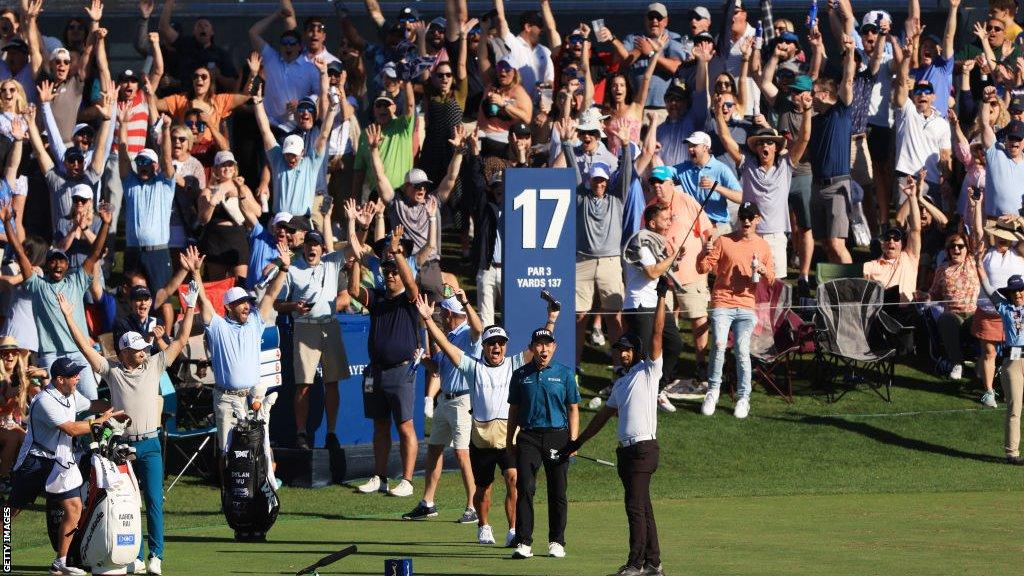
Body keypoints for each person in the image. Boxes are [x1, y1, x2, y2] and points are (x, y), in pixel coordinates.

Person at [56, 278, 197, 576]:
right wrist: (69, 315)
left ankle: (155, 555)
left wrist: (191, 305)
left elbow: (182, 340)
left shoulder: (155, 365)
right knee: (128, 502)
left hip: (150, 444)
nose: (144, 351)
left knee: (154, 500)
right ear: (123, 353)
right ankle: (132, 555)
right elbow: (84, 347)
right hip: (121, 448)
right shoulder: (112, 370)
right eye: (138, 349)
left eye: (145, 348)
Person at [561, 278, 670, 576]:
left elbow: (658, 335)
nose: (621, 353)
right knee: (642, 507)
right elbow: (601, 418)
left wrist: (662, 298)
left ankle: (635, 564)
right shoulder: (620, 384)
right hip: (626, 452)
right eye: (618, 349)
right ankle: (654, 563)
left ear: (636, 352)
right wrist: (576, 442)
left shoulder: (649, 371)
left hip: (644, 449)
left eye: (626, 350)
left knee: (635, 508)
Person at [5, 356, 124, 576]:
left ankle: (60, 562)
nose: (78, 377)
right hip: (35, 462)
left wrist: (118, 408)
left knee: (74, 507)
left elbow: (92, 405)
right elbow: (71, 429)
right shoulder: (44, 401)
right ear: (60, 379)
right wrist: (100, 422)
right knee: (11, 511)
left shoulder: (71, 395)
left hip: (61, 461)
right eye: (73, 375)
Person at [1, 199, 110, 401]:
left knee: (91, 401)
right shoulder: (38, 285)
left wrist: (105, 224)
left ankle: (90, 432)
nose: (57, 264)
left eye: (62, 260)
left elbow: (95, 254)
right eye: (53, 260)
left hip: (80, 352)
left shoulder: (76, 281)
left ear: (67, 265)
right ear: (47, 264)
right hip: (51, 356)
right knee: (58, 404)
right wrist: (8, 223)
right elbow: (19, 254)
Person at [184, 245, 287, 450]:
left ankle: (262, 482)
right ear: (229, 307)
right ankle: (227, 484)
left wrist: (284, 268)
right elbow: (203, 299)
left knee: (258, 449)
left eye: (247, 302)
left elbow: (271, 295)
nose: (246, 306)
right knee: (227, 451)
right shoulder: (217, 325)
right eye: (240, 303)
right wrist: (195, 271)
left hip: (253, 398)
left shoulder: (255, 322)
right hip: (226, 398)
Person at [350, 226, 421, 498]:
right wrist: (356, 261)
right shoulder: (378, 298)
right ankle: (380, 477)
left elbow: (412, 285)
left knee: (405, 426)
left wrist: (397, 253)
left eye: (394, 271)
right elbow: (355, 290)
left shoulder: (409, 300)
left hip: (401, 371)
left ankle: (407, 480)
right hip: (376, 372)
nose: (391, 275)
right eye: (387, 271)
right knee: (380, 425)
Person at [402, 289, 482, 523]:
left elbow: (479, 328)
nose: (443, 317)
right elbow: (437, 367)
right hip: (444, 401)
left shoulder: (468, 334)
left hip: (463, 401)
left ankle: (472, 506)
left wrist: (465, 302)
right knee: (434, 450)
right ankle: (428, 503)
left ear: (451, 314)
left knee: (461, 453)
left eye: (445, 314)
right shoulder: (449, 337)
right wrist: (422, 360)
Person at [505, 326, 579, 559]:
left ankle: (557, 541)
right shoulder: (520, 375)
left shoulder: (565, 373)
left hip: (558, 436)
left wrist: (574, 441)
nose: (543, 348)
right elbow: (514, 410)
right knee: (525, 487)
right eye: (539, 344)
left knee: (557, 490)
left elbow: (573, 409)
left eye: (548, 344)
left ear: (554, 347)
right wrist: (509, 440)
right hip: (528, 437)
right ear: (531, 348)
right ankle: (524, 542)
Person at [696, 201, 775, 419]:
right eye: (743, 217)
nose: (746, 221)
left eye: (750, 217)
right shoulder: (724, 240)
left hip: (747, 304)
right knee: (720, 345)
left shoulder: (763, 246)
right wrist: (703, 252)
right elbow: (702, 268)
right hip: (722, 301)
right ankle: (713, 391)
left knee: (741, 350)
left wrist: (762, 270)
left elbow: (770, 280)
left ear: (757, 219)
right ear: (739, 218)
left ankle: (743, 398)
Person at [276, 230, 351, 450]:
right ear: (304, 247)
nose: (312, 248)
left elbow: (356, 248)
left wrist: (357, 224)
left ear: (322, 249)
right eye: (309, 244)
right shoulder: (293, 269)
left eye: (316, 244)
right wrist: (294, 306)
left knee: (332, 382)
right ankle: (301, 433)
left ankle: (331, 432)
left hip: (330, 326)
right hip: (304, 327)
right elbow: (277, 304)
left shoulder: (332, 262)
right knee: (303, 385)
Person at [622, 203, 684, 412]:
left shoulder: (656, 242)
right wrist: (672, 258)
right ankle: (634, 398)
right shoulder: (640, 240)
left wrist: (675, 258)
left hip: (656, 304)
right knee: (642, 356)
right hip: (639, 305)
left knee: (675, 343)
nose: (669, 223)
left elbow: (663, 268)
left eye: (669, 219)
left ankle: (657, 389)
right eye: (665, 219)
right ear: (652, 222)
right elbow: (653, 272)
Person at [976, 269, 1024, 466]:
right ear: (1009, 294)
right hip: (1013, 363)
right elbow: (987, 287)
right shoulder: (1004, 307)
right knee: (1014, 408)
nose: (1018, 294)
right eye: (1014, 291)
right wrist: (978, 261)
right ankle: (1012, 452)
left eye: (1021, 290)